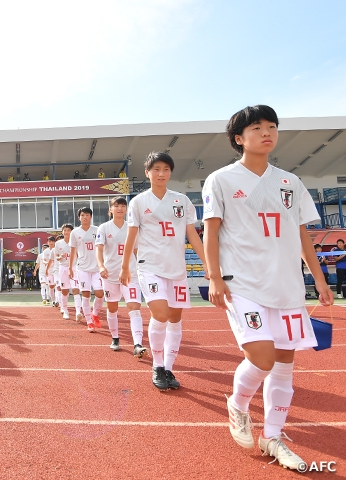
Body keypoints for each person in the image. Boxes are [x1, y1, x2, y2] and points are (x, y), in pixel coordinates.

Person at [202, 105, 333, 470]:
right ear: (238, 138)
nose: (267, 132)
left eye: (272, 126)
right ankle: (239, 404)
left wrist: (319, 280)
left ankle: (274, 436)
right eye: (257, 127)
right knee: (262, 357)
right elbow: (210, 231)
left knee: (285, 364)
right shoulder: (222, 179)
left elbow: (302, 234)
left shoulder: (290, 182)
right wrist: (214, 277)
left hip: (287, 287)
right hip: (241, 283)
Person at [121, 151, 206, 391]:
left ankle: (169, 367)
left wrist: (207, 264)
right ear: (147, 173)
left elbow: (192, 235)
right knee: (159, 314)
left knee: (176, 319)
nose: (161, 173)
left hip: (177, 269)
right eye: (156, 169)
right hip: (150, 267)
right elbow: (131, 237)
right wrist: (126, 266)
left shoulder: (182, 201)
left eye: (166, 169)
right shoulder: (138, 202)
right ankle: (157, 365)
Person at [97, 197, 147, 355]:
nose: (120, 208)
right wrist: (101, 266)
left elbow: (137, 250)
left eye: (123, 206)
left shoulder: (132, 228)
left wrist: (142, 266)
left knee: (134, 308)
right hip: (110, 275)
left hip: (130, 275)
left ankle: (137, 344)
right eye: (116, 206)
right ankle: (115, 338)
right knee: (112, 308)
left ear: (126, 209)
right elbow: (98, 250)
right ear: (110, 209)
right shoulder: (104, 228)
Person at [69, 207, 104, 332]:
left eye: (87, 215)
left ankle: (95, 314)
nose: (85, 217)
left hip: (96, 268)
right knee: (86, 294)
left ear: (91, 217)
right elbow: (72, 251)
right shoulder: (75, 232)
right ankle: (89, 321)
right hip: (82, 268)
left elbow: (102, 247)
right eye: (82, 215)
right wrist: (70, 267)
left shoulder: (97, 230)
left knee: (100, 294)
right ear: (79, 217)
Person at [55, 224, 81, 320]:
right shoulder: (58, 243)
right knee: (65, 291)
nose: (66, 232)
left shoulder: (76, 242)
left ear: (72, 231)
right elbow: (57, 257)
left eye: (68, 230)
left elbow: (79, 255)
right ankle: (65, 310)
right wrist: (60, 256)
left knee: (75, 289)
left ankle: (78, 311)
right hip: (63, 268)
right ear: (62, 232)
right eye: (64, 230)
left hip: (74, 268)